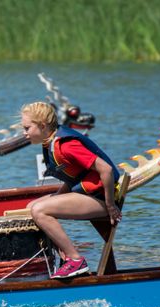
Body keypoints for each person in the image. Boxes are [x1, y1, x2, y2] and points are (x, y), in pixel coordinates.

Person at [21, 102, 122, 279]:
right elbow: (74, 178)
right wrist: (56, 198)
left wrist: (111, 205)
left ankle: (75, 260)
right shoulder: (50, 143)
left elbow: (105, 170)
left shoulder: (66, 145)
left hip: (101, 200)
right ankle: (63, 256)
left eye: (27, 128)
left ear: (43, 126)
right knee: (31, 206)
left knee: (39, 210)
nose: (24, 133)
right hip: (89, 195)